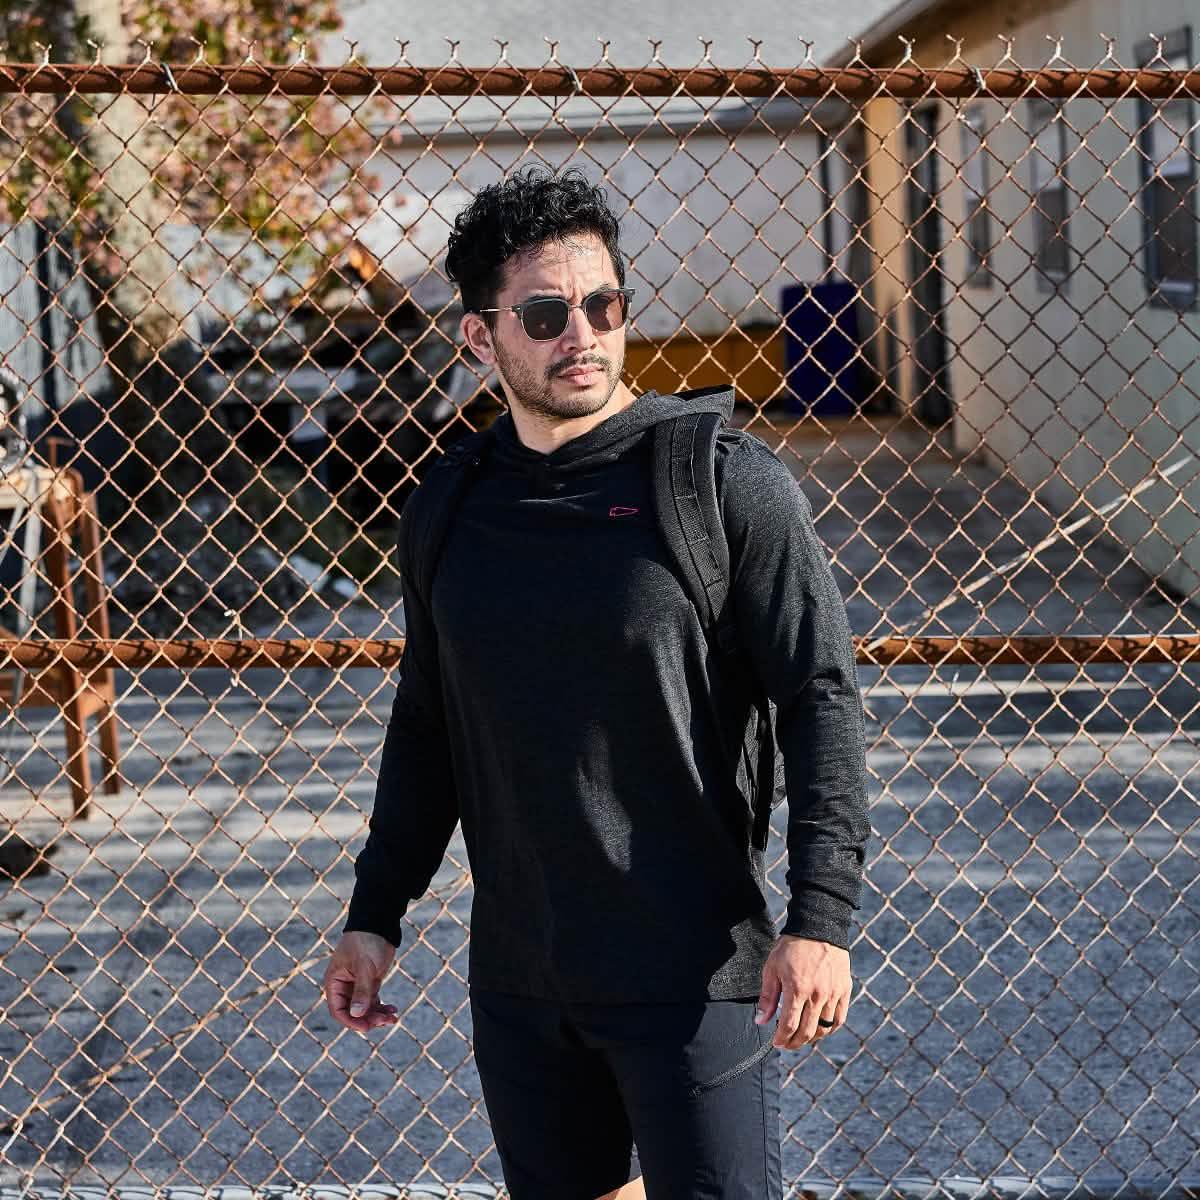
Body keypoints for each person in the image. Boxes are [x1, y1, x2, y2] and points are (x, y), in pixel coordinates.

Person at [322, 165, 873, 1200]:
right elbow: (430, 721)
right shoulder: (452, 504)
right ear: (480, 339)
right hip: (523, 976)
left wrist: (821, 922)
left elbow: (820, 700)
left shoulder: (719, 480)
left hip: (692, 970)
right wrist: (374, 911)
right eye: (544, 313)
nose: (583, 333)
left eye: (604, 304)